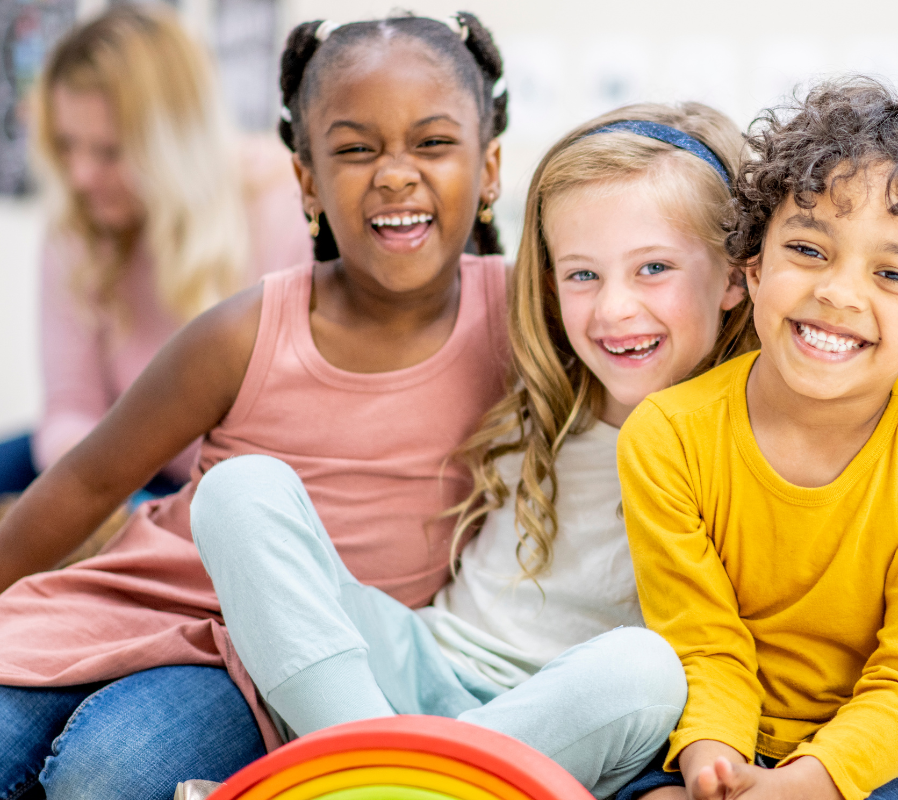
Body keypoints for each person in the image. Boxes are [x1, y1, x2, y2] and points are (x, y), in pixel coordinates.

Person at [0, 13, 508, 799]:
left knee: (106, 773)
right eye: (355, 149)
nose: (396, 174)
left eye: (433, 144)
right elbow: (87, 481)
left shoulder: (524, 317)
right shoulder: (246, 329)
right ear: (306, 180)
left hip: (275, 658)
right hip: (142, 597)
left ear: (492, 166)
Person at [190, 101, 753, 799]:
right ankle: (376, 774)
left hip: (561, 722)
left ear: (735, 276)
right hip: (405, 672)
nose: (613, 309)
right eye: (583, 275)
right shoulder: (546, 395)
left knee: (647, 670)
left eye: (654, 268)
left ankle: (372, 784)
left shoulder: (746, 441)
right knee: (239, 490)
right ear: (550, 283)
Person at [616, 79, 898, 800]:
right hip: (718, 730)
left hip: (883, 752)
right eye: (809, 248)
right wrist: (714, 764)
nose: (839, 292)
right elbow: (704, 646)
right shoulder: (667, 435)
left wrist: (808, 783)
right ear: (756, 266)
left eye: (892, 273)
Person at [0, 4, 310, 498]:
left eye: (109, 152)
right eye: (65, 145)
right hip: (119, 464)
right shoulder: (77, 222)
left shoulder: (285, 209)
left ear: (176, 146)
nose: (79, 176)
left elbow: (284, 446)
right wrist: (98, 500)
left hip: (229, 487)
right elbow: (69, 411)